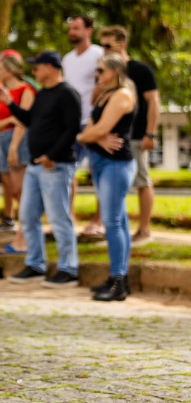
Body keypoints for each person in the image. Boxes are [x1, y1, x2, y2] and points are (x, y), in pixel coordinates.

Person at [0, 51, 81, 287]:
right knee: (27, 216)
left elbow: (71, 130)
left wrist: (51, 156)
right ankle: (36, 263)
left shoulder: (67, 94)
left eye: (38, 66)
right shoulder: (42, 94)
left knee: (58, 218)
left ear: (52, 68)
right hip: (36, 165)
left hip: (56, 165)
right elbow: (29, 120)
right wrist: (10, 104)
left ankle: (69, 268)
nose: (34, 70)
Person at [77, 52, 137, 302]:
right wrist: (94, 136)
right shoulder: (103, 95)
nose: (97, 74)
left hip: (116, 163)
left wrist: (91, 135)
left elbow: (94, 130)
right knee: (118, 220)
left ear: (115, 71)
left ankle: (119, 281)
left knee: (112, 222)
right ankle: (117, 278)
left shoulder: (123, 95)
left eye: (101, 70)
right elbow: (89, 130)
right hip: (101, 161)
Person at [98, 26, 160, 243]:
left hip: (136, 135)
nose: (104, 50)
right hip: (113, 137)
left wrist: (150, 133)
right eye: (102, 46)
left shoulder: (140, 70)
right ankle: (114, 229)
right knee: (114, 186)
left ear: (122, 44)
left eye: (108, 45)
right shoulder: (107, 71)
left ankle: (144, 229)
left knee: (142, 181)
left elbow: (153, 102)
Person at [62, 15, 104, 233]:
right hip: (71, 124)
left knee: (98, 171)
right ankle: (68, 217)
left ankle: (98, 221)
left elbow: (105, 85)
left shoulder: (98, 54)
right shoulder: (67, 59)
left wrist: (99, 120)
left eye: (76, 28)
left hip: (93, 122)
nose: (72, 32)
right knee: (68, 171)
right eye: (70, 29)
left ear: (89, 30)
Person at [0, 55, 35, 253]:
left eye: (1, 68)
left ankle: (24, 236)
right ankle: (24, 232)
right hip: (3, 138)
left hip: (18, 141)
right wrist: (11, 117)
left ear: (10, 69)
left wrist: (14, 147)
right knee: (12, 190)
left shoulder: (25, 90)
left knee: (20, 190)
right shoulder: (3, 93)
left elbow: (23, 121)